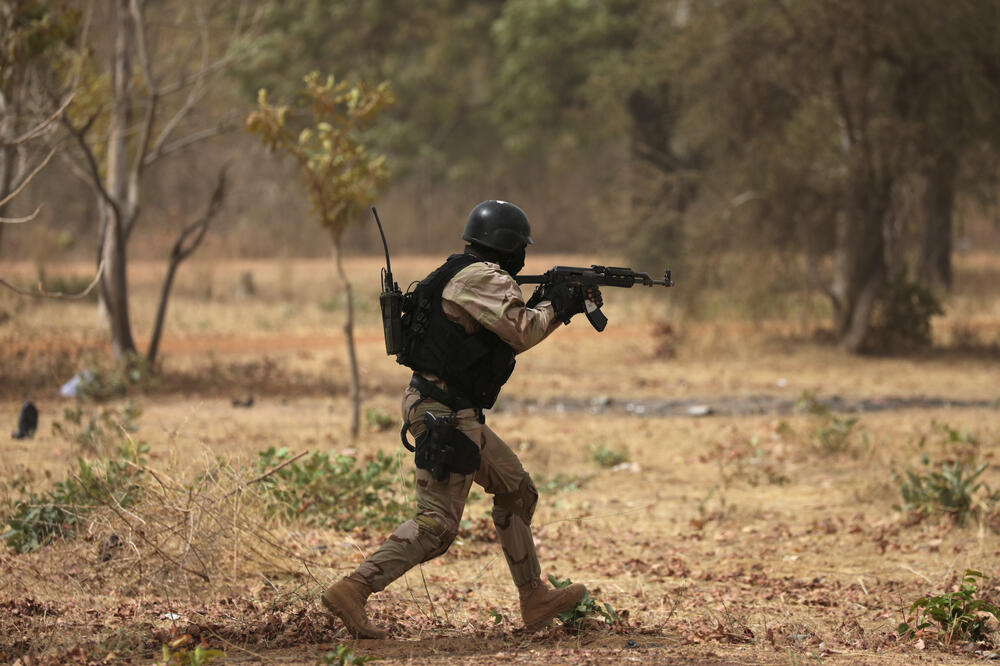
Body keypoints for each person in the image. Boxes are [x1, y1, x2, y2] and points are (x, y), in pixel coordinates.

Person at [322, 200, 603, 638]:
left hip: (456, 411)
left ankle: (534, 597)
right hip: (443, 414)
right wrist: (557, 306)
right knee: (436, 525)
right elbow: (523, 330)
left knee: (516, 490)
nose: (523, 258)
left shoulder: (463, 273)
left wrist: (552, 300)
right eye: (520, 249)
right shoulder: (481, 278)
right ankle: (353, 589)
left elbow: (505, 324)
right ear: (509, 247)